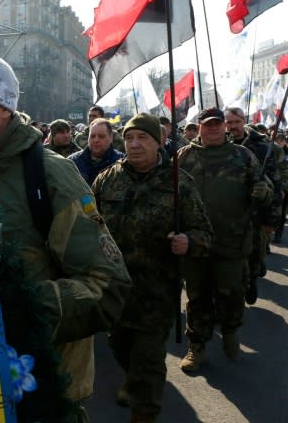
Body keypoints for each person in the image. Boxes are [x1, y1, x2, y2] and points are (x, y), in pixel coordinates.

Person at [0, 53, 131, 422]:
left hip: (36, 389)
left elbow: (108, 286)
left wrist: (17, 310)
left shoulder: (48, 176)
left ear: (4, 107)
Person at [92, 113, 212, 423]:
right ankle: (132, 379)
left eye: (142, 138)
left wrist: (189, 241)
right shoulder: (107, 179)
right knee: (120, 348)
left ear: (158, 142)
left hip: (156, 294)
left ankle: (143, 410)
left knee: (148, 363)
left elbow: (204, 234)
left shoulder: (178, 183)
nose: (134, 144)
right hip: (114, 291)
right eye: (129, 138)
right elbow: (88, 226)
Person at [176, 107, 273, 371]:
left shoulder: (243, 156)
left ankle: (230, 332)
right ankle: (196, 347)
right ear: (199, 128)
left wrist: (264, 192)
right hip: (195, 244)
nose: (214, 128)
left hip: (232, 241)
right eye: (208, 125)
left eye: (218, 124)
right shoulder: (183, 158)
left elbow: (266, 190)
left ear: (224, 127)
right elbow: (169, 194)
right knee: (197, 298)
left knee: (231, 294)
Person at [224, 107, 283, 305]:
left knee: (255, 253)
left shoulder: (261, 146)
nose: (233, 126)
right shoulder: (221, 144)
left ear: (244, 121)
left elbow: (275, 184)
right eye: (229, 122)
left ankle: (252, 278)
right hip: (231, 213)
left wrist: (272, 218)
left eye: (236, 122)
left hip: (257, 212)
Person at [68, 118, 125, 186]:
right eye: (92, 136)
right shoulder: (73, 162)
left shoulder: (122, 162)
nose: (96, 140)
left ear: (111, 138)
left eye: (101, 136)